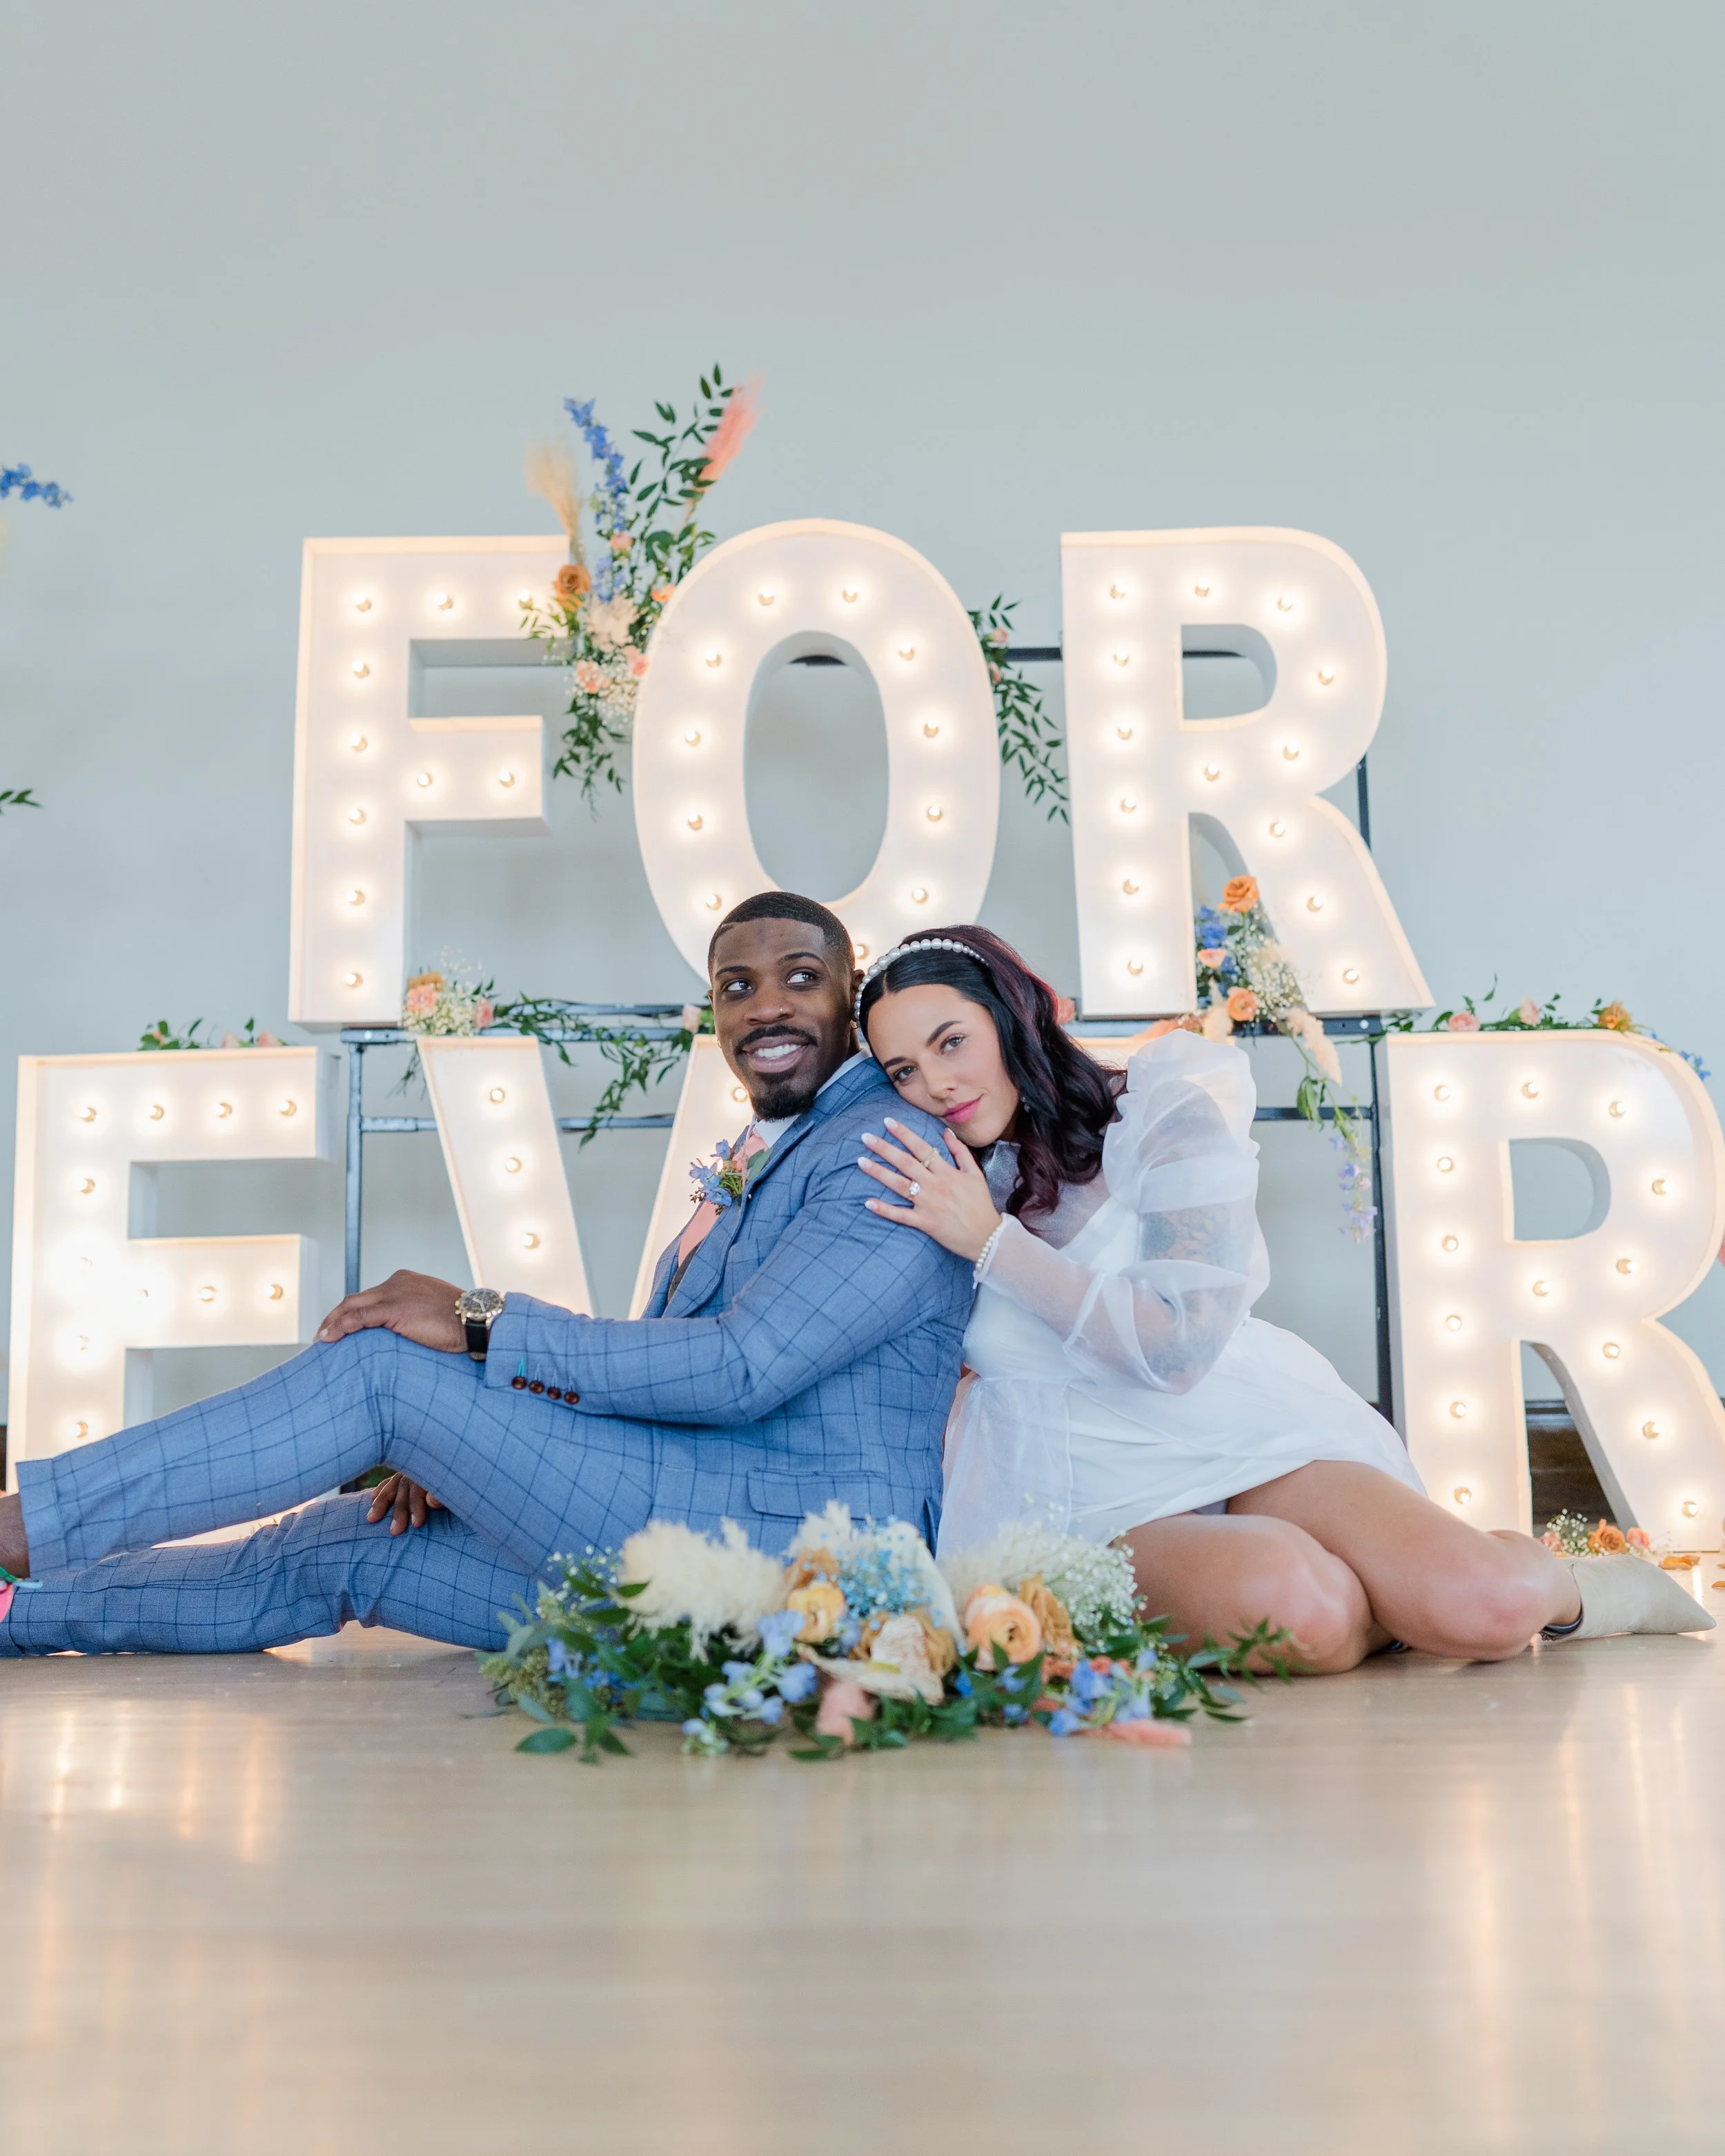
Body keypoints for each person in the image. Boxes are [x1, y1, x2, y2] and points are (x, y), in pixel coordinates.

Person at [0, 894, 972, 1656]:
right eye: (735, 985)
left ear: (852, 997)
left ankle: (19, 1529)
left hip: (792, 1554)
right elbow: (663, 1371)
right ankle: (18, 1607)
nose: (765, 1004)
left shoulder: (882, 1144)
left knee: (383, 1371)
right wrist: (479, 1450)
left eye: (800, 978)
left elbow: (739, 1368)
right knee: (344, 1545)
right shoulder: (775, 1147)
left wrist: (477, 1319)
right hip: (702, 1531)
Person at [853, 926, 1713, 1669]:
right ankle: (1382, 1605)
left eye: (950, 1040)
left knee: (1480, 1604)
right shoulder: (930, 1183)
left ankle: (1573, 1583)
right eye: (901, 1067)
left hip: (1235, 1427)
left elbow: (1175, 1346)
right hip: (1082, 1487)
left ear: (1010, 1016)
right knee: (1301, 1608)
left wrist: (992, 1245)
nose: (933, 1081)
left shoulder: (1158, 1109)